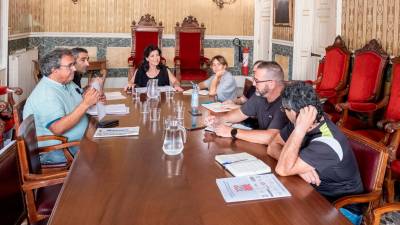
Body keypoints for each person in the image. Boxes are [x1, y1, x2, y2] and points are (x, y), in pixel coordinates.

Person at [268, 81, 363, 202]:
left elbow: (282, 169)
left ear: (293, 111)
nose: (284, 112)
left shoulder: (328, 142)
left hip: (340, 207)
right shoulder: (300, 121)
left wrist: (300, 130)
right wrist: (298, 170)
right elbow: (272, 146)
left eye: (284, 109)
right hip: (311, 192)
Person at [23, 48, 100, 164]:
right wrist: (85, 104)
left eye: (74, 64)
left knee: (112, 148)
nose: (74, 68)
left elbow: (79, 100)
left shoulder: (66, 83)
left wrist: (91, 97)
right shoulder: (46, 94)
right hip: (58, 150)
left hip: (78, 141)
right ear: (54, 70)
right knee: (106, 158)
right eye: (70, 66)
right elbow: (58, 128)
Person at [204, 61, 288, 145]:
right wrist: (218, 119)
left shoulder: (286, 102)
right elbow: (239, 113)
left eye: (257, 81)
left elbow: (272, 137)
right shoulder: (260, 95)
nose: (254, 84)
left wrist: (232, 132)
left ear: (271, 84)